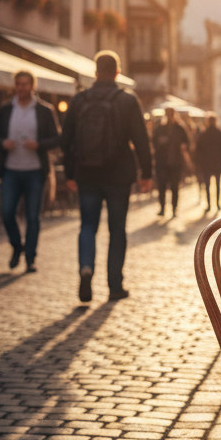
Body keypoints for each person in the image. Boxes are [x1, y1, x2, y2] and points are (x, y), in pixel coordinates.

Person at [60, 51, 152, 302]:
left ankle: (86, 268)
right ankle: (114, 285)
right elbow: (141, 139)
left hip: (86, 173)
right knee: (117, 230)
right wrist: (147, 173)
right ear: (117, 72)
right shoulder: (127, 100)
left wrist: (69, 173)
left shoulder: (79, 100)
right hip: (118, 174)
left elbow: (65, 140)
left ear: (95, 72)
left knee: (88, 225)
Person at [0, 71, 60, 273]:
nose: (22, 88)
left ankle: (30, 258)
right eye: (18, 84)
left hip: (35, 171)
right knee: (7, 212)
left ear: (32, 86)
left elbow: (56, 138)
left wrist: (39, 144)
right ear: (15, 86)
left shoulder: (44, 110)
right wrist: (3, 143)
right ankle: (16, 246)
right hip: (10, 170)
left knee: (32, 217)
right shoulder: (5, 109)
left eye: (25, 84)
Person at [152, 107, 191, 217]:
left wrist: (184, 146)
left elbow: (187, 142)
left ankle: (173, 208)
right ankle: (163, 207)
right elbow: (154, 143)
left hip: (175, 163)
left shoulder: (179, 128)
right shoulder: (160, 128)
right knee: (162, 186)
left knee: (174, 187)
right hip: (162, 163)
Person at [194, 113, 221, 211]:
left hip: (206, 163)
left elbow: (198, 150)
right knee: (218, 183)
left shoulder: (203, 134)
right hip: (217, 162)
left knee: (207, 184)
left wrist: (197, 163)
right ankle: (218, 204)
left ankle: (209, 204)